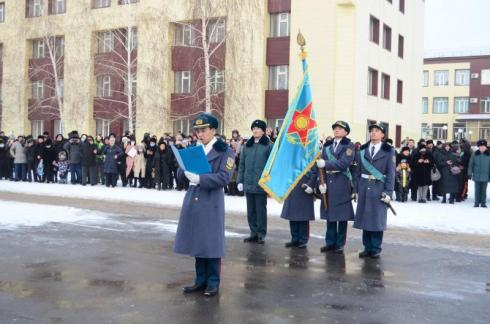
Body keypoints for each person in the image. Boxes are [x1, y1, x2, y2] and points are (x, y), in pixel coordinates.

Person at [174, 113, 235, 297]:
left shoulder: (225, 151)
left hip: (211, 200)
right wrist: (184, 172)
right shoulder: (194, 149)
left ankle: (213, 282)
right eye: (198, 131)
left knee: (211, 242)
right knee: (198, 241)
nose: (200, 134)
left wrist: (200, 178)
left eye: (204, 130)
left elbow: (224, 177)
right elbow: (179, 173)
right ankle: (200, 280)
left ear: (213, 130)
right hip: (194, 198)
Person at [354, 122, 395, 259]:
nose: (373, 133)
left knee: (376, 219)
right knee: (366, 217)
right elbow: (357, 171)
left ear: (382, 135)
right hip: (364, 187)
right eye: (372, 130)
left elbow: (391, 173)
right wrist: (356, 189)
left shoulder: (389, 150)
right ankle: (367, 247)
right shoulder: (362, 149)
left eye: (377, 131)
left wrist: (388, 192)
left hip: (379, 188)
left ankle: (376, 248)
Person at [315, 121, 356, 254]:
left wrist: (325, 163)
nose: (337, 130)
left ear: (346, 132)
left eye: (340, 128)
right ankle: (330, 242)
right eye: (335, 128)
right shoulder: (327, 145)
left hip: (342, 182)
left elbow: (344, 163)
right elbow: (321, 168)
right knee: (330, 214)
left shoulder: (349, 145)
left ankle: (340, 244)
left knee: (342, 216)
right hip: (329, 182)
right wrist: (321, 183)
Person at [237, 120, 273, 244]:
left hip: (261, 184)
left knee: (260, 211)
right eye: (254, 128)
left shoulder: (268, 145)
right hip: (248, 183)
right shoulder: (247, 145)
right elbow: (241, 165)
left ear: (263, 131)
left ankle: (261, 234)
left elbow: (271, 166)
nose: (255, 130)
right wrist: (240, 180)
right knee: (250, 211)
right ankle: (253, 233)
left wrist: (269, 183)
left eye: (258, 128)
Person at [281, 172, 316, 248]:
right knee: (292, 216)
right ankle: (295, 239)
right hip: (292, 187)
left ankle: (302, 240)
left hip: (304, 188)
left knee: (303, 217)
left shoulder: (309, 159)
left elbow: (314, 172)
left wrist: (310, 184)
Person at [468, 139, 490, 208]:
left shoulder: (488, 154)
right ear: (478, 147)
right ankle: (476, 203)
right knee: (477, 190)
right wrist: (469, 173)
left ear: (486, 147)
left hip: (486, 175)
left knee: (484, 190)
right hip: (477, 175)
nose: (482, 147)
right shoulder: (474, 154)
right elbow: (471, 164)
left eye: (483, 146)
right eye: (481, 146)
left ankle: (483, 203)